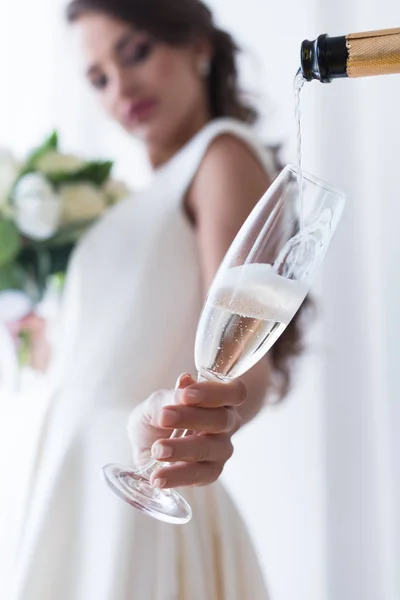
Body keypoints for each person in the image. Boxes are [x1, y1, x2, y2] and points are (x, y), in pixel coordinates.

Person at [8, 1, 306, 598]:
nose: (121, 87)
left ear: (198, 46)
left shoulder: (220, 156)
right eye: (98, 79)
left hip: (136, 496)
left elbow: (247, 359)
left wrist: (197, 428)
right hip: (77, 479)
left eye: (136, 52)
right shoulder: (146, 193)